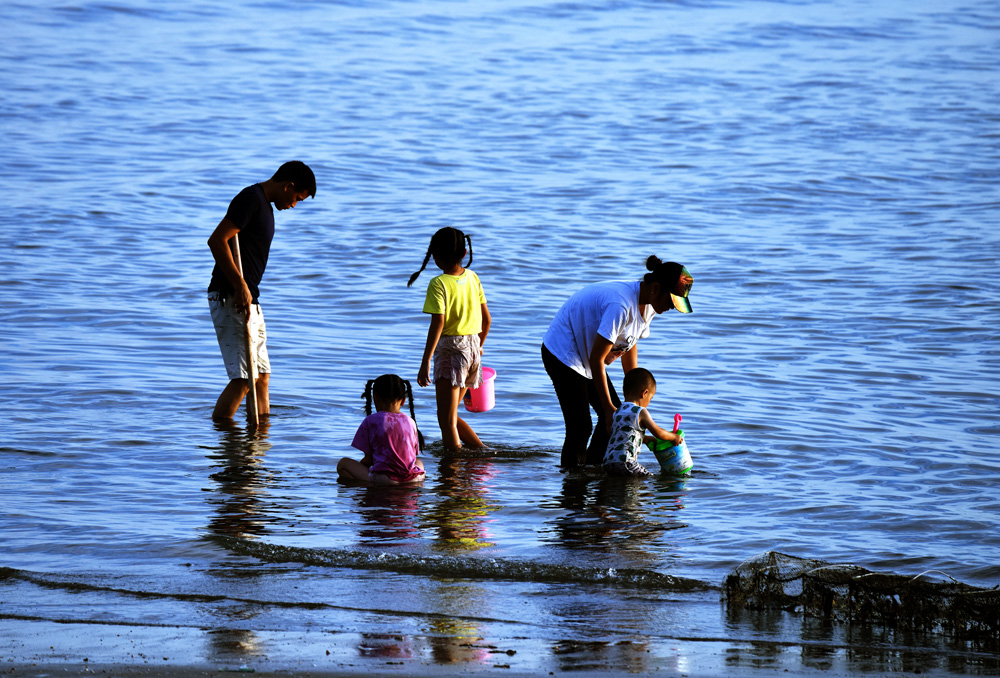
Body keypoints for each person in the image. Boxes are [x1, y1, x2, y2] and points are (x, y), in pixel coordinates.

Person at [541, 256, 693, 467]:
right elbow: (597, 359)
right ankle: (572, 481)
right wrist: (607, 407)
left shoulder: (649, 305)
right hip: (563, 351)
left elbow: (630, 343)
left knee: (616, 415)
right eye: (671, 301)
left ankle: (593, 468)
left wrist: (632, 402)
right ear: (656, 287)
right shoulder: (621, 305)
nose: (672, 308)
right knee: (582, 426)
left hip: (588, 355)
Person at [206, 161, 316, 422]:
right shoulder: (251, 199)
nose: (294, 205)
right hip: (230, 295)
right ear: (288, 185)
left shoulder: (265, 207)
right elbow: (217, 240)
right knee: (244, 379)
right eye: (297, 198)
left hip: (249, 297)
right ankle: (226, 441)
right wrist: (239, 285)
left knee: (262, 376)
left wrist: (245, 289)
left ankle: (258, 442)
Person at [408, 227, 492, 450]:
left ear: (434, 254)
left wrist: (425, 360)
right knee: (451, 415)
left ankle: (452, 470)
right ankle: (483, 452)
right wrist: (479, 346)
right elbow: (487, 320)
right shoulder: (473, 277)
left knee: (445, 421)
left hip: (451, 350)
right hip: (473, 348)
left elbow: (438, 323)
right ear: (464, 253)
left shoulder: (439, 283)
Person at [339, 374, 426, 485]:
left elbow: (368, 460)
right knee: (419, 462)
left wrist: (361, 468)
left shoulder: (371, 420)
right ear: (403, 400)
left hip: (384, 480)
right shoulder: (410, 422)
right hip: (412, 478)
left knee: (343, 464)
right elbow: (412, 457)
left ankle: (369, 486)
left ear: (375, 397)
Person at [602, 368, 682, 477]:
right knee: (652, 479)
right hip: (626, 462)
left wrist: (645, 439)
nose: (649, 401)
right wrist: (674, 437)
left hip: (608, 462)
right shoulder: (641, 412)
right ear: (644, 393)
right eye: (651, 398)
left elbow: (622, 435)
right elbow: (658, 432)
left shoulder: (618, 411)